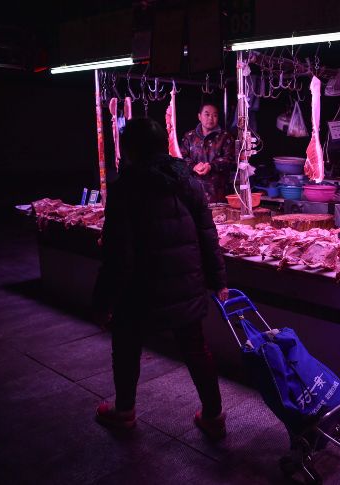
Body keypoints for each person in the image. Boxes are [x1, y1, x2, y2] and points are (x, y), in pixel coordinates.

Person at [92, 117, 230, 440]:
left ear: (131, 149)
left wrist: (103, 301)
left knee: (126, 347)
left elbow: (117, 252)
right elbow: (207, 235)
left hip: (139, 288)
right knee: (196, 349)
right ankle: (214, 416)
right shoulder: (187, 181)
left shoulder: (125, 187)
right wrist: (219, 280)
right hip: (185, 284)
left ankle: (124, 411)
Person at [180, 102, 236, 203]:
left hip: (219, 193)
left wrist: (211, 166)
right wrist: (194, 166)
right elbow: (181, 158)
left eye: (214, 115)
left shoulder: (226, 137)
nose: (211, 118)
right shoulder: (189, 136)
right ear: (199, 117)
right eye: (207, 114)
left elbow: (230, 159)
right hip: (193, 192)